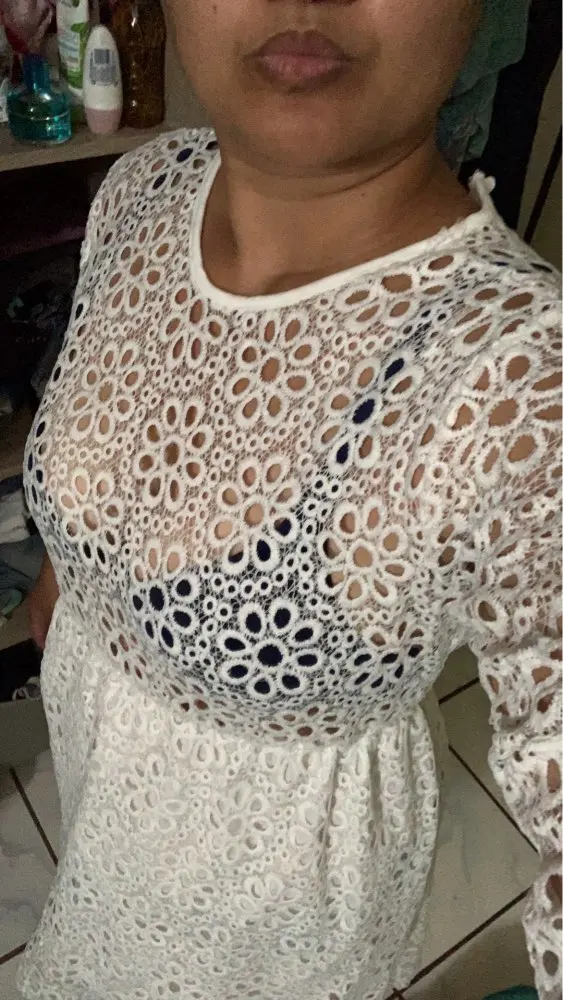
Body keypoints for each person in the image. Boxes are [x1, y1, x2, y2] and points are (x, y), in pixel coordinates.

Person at [19, 2, 561, 999]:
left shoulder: (519, 382)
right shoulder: (144, 186)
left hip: (268, 939)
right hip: (104, 822)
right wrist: (73, 576)